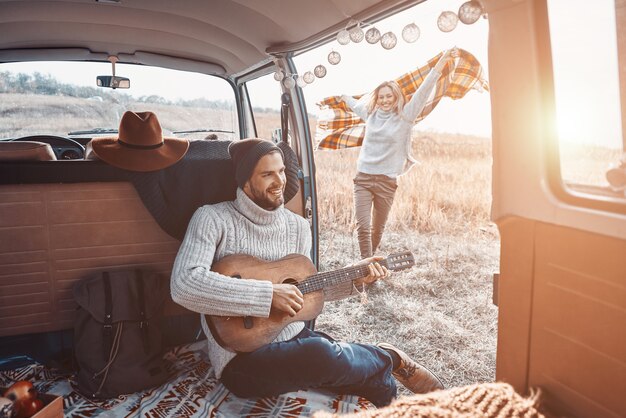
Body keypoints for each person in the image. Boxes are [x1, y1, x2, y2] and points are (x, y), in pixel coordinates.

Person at [170, 138, 444, 407]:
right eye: (267, 174)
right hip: (240, 359)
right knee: (321, 355)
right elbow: (184, 283)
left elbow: (306, 290)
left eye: (281, 171)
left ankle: (392, 407)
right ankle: (388, 357)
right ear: (244, 181)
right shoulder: (212, 219)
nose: (279, 182)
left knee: (361, 375)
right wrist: (267, 294)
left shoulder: (298, 227)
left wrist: (355, 279)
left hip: (295, 339)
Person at [341, 48, 459, 259]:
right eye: (381, 97)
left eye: (389, 96)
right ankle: (367, 267)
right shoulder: (370, 114)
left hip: (387, 182)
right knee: (363, 227)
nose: (385, 100)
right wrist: (342, 97)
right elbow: (353, 103)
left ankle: (371, 263)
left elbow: (425, 89)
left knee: (377, 229)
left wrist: (442, 61)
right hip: (363, 179)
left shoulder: (406, 116)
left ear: (396, 97)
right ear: (376, 99)